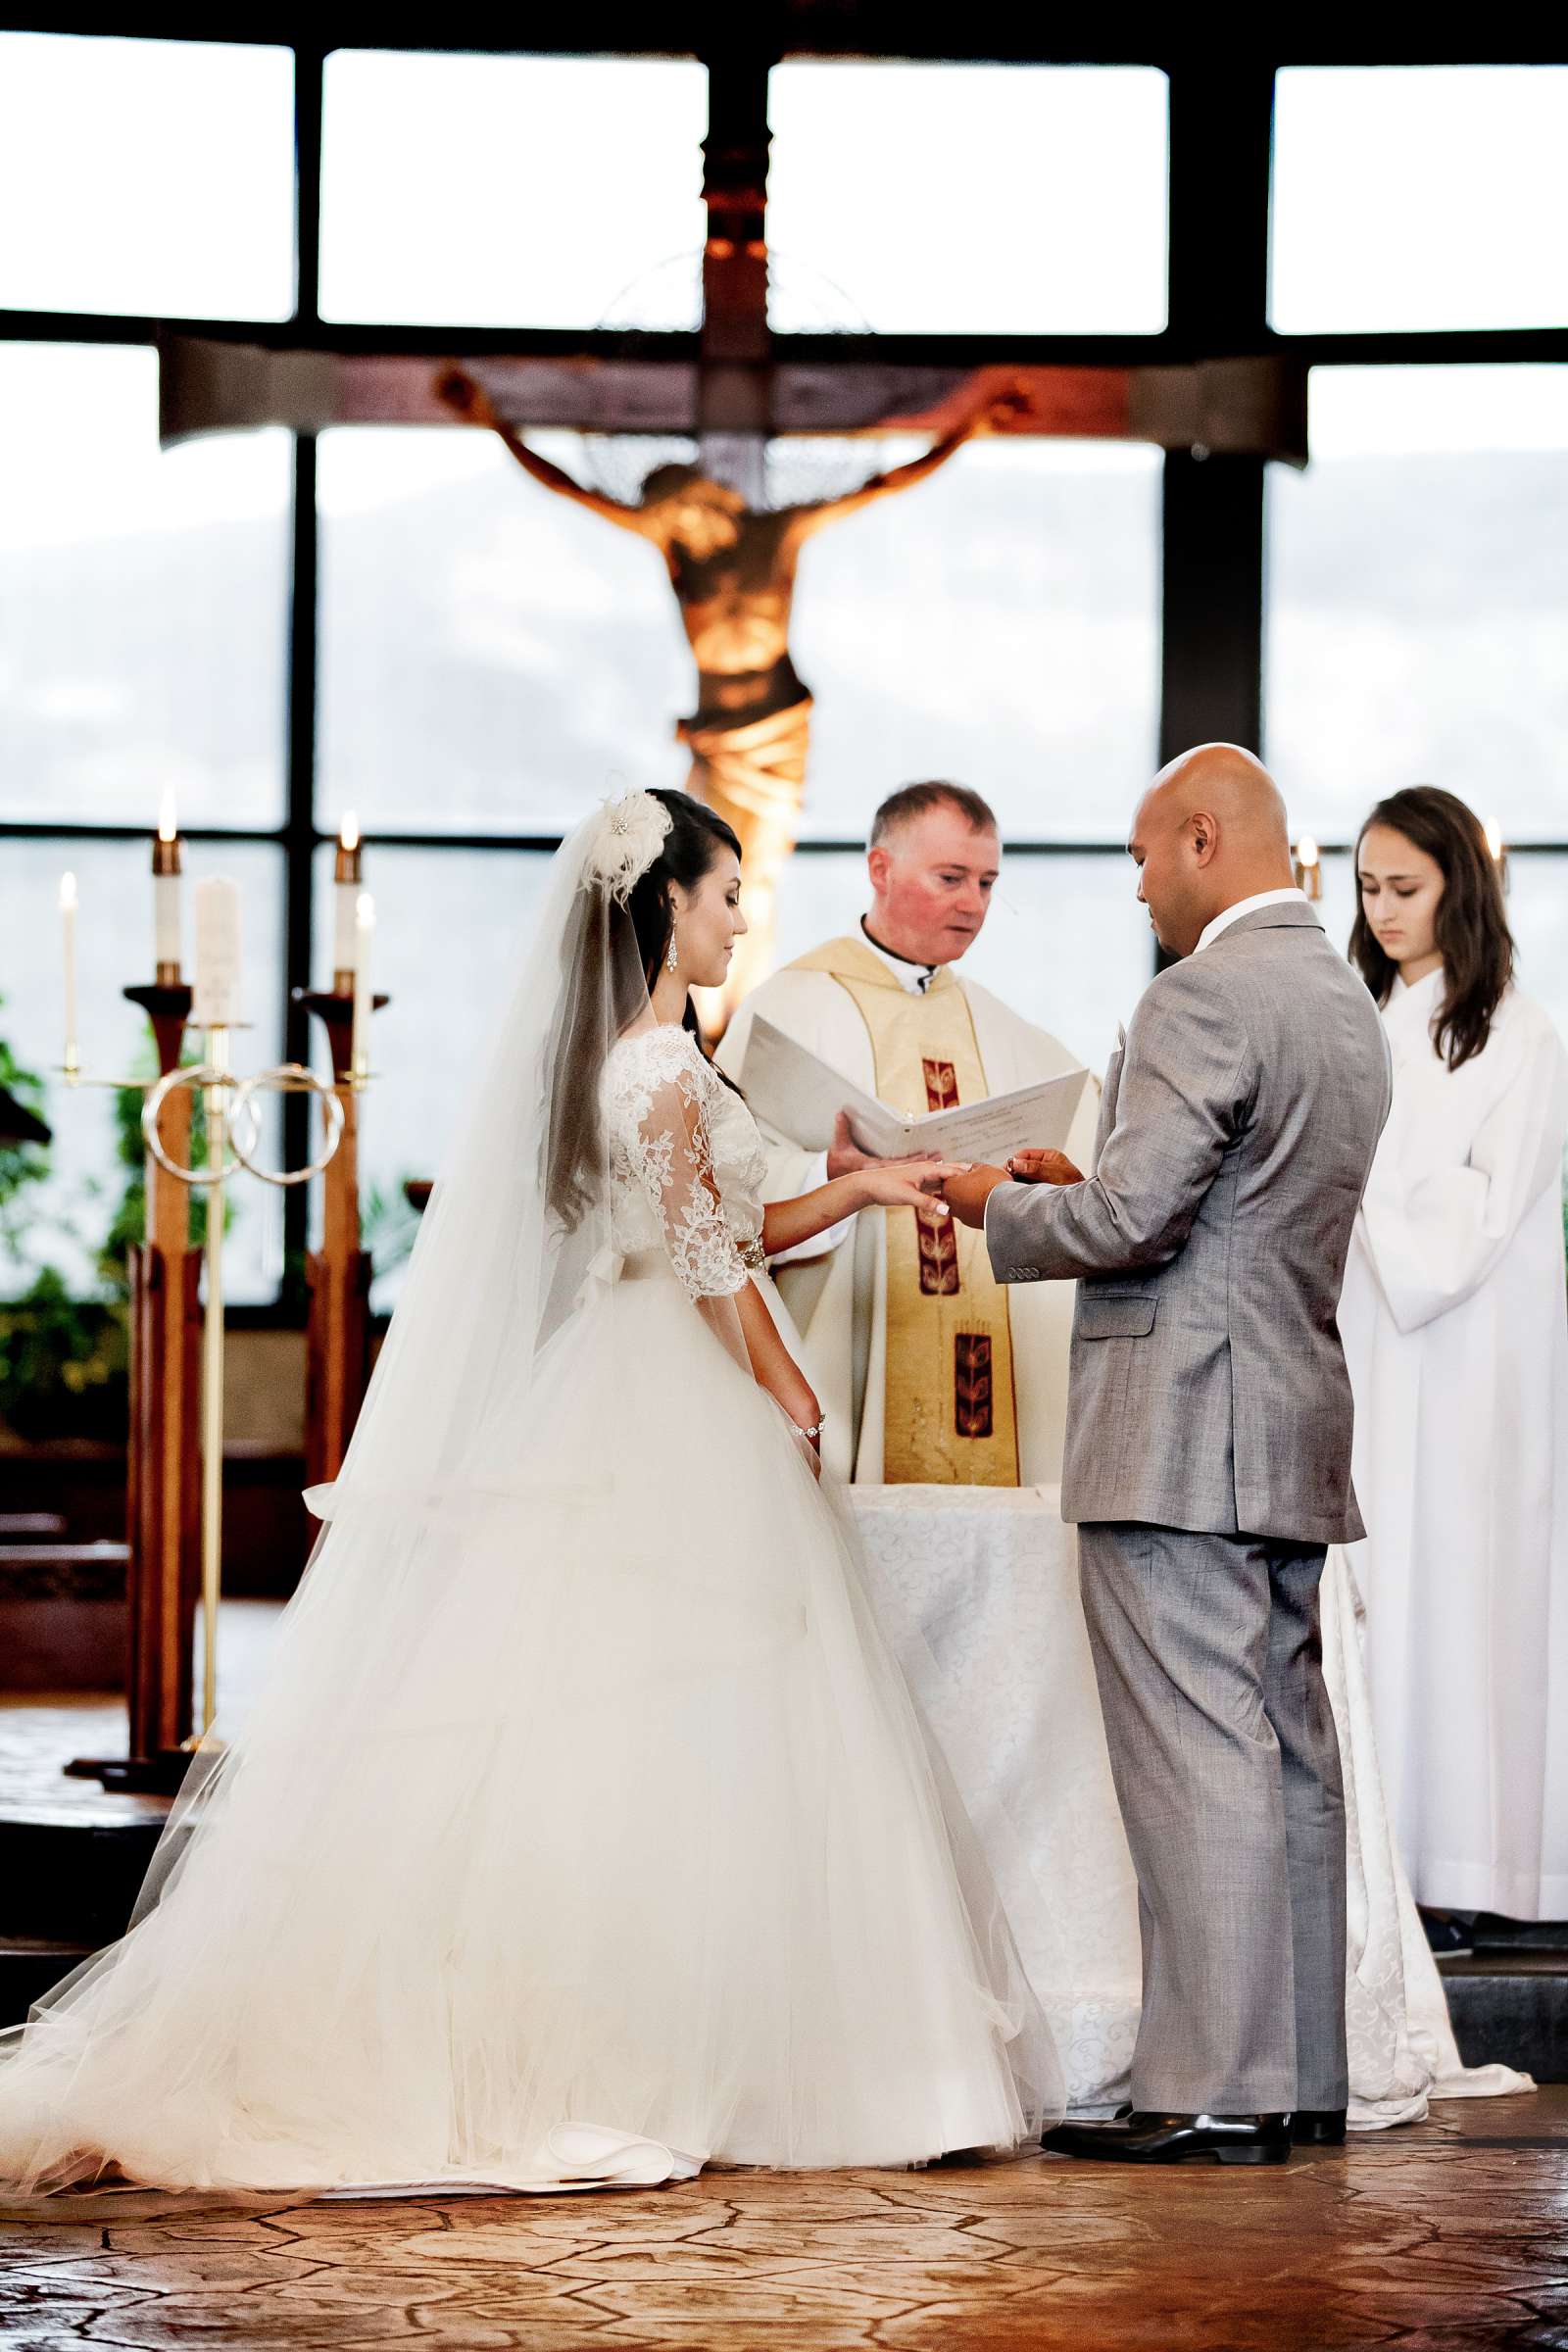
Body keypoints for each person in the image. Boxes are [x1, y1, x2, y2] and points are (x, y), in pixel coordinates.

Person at [0, 789, 1061, 2195]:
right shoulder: (663, 1071)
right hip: (679, 1396)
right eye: (725, 894)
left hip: (634, 1382)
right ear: (663, 908)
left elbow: (732, 1220)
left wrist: (868, 1189)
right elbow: (706, 1268)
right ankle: (666, 2049)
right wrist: (791, 1393)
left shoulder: (642, 1064)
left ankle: (680, 2040)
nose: (741, 919)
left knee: (649, 1721)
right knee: (690, 1724)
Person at [944, 744, 1392, 2166]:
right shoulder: (1338, 997)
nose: (1137, 885)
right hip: (1291, 1413)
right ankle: (1299, 2074)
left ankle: (1207, 2087)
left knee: (1198, 1751)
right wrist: (1104, 1185)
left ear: (1205, 837)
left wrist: (988, 1204)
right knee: (1287, 1754)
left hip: (1183, 1422)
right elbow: (1234, 1203)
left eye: (1143, 856)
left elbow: (1134, 1222)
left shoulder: (1204, 992)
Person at [435, 368, 1026, 1014]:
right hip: (717, 734)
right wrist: (493, 422)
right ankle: (699, 1004)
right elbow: (568, 489)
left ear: (704, 500)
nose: (681, 531)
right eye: (670, 522)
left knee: (759, 870)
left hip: (774, 735)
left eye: (685, 516)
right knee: (704, 867)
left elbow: (882, 486)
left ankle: (739, 1008)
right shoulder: (674, 547)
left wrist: (969, 430)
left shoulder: (778, 533)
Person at [716, 782, 1099, 1486]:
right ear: (880, 870)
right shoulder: (792, 1007)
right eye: (950, 878)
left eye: (987, 882)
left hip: (989, 1362)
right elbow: (713, 1190)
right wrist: (824, 1176)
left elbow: (1098, 1155)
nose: (974, 904)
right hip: (850, 1340)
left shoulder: (1008, 1030)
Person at [1340, 786, 1568, 1927]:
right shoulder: (1354, 1012)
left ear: (1458, 890)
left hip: (1473, 1359)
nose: (1382, 911)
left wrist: (1358, 1188)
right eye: (1368, 887)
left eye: (1405, 889)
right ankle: (1379, 1867)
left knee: (1466, 1590)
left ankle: (1475, 1874)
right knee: (1377, 1582)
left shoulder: (1518, 1032)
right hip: (1364, 1343)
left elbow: (1480, 1212)